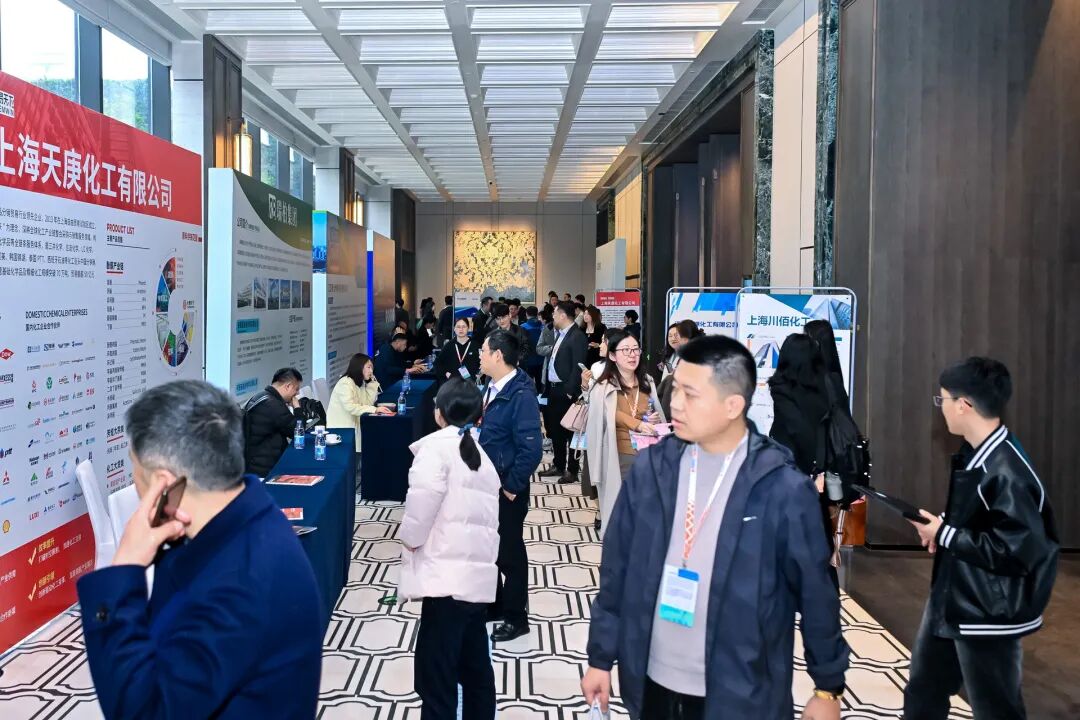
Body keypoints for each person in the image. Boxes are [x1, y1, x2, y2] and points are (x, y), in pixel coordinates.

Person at [582, 335, 849, 720]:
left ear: (732, 405)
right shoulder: (653, 470)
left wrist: (827, 689)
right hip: (651, 684)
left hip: (740, 694)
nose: (675, 403)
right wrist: (600, 657)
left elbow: (816, 593)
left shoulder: (782, 489)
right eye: (676, 390)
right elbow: (617, 569)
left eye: (690, 395)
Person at [77, 380, 322, 719]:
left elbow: (144, 711)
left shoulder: (240, 581)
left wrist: (123, 569)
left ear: (163, 482)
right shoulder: (233, 520)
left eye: (134, 467)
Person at [903, 357, 1058, 720]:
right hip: (953, 595)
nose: (941, 407)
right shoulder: (977, 454)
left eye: (942, 399)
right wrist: (945, 528)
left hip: (987, 610)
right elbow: (984, 521)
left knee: (995, 707)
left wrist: (945, 533)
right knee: (924, 691)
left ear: (964, 405)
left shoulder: (1006, 470)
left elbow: (1015, 550)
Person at [398, 379, 500, 720]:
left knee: (436, 680)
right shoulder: (481, 455)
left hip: (445, 583)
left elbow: (419, 515)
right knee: (476, 672)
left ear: (439, 413)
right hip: (475, 582)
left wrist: (408, 540)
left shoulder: (435, 451)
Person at [476, 330, 543, 643]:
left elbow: (532, 449)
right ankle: (497, 605)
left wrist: (512, 486)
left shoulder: (521, 395)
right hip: (489, 484)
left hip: (507, 488)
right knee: (491, 548)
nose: (480, 355)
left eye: (483, 350)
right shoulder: (492, 386)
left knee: (510, 554)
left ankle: (517, 618)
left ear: (498, 355)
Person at [586, 331, 664, 538]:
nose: (632, 355)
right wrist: (637, 424)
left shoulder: (647, 381)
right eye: (626, 350)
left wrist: (651, 418)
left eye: (636, 350)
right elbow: (607, 413)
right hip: (619, 453)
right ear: (612, 356)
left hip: (648, 454)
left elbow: (651, 409)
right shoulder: (603, 384)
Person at [538, 301, 587, 484]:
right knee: (556, 430)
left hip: (566, 392)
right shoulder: (560, 334)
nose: (552, 316)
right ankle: (558, 465)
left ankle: (572, 470)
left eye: (555, 313)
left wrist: (569, 391)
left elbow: (578, 366)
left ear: (563, 315)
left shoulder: (577, 336)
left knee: (571, 431)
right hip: (553, 389)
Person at [241, 367, 303, 478]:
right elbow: (298, 432)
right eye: (296, 389)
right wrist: (297, 408)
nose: (297, 393)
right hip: (265, 469)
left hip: (253, 462)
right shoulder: (273, 405)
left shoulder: (260, 396)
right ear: (288, 386)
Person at [327, 353, 394, 452]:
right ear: (359, 367)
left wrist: (372, 383)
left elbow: (367, 403)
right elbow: (351, 407)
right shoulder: (345, 383)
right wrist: (375, 410)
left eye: (372, 368)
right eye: (368, 367)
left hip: (354, 426)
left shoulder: (359, 382)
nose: (371, 371)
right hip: (341, 430)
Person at [656, 320, 698, 418]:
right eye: (670, 336)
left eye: (676, 335)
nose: (673, 338)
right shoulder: (669, 355)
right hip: (666, 397)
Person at [434, 318, 481, 385]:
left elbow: (482, 363)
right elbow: (437, 364)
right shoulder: (448, 346)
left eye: (464, 327)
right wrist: (446, 373)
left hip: (471, 384)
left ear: (468, 328)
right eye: (458, 327)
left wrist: (479, 374)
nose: (461, 329)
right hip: (452, 384)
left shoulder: (475, 345)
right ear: (454, 329)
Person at [492, 302, 533, 367]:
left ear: (509, 315)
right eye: (498, 318)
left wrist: (515, 359)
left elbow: (527, 349)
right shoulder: (493, 333)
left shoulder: (521, 330)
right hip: (498, 367)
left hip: (517, 367)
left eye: (504, 317)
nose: (501, 321)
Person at [521, 306, 545, 391]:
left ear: (526, 314)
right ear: (537, 314)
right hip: (542, 360)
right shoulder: (543, 326)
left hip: (528, 360)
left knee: (528, 386)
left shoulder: (522, 327)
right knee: (540, 385)